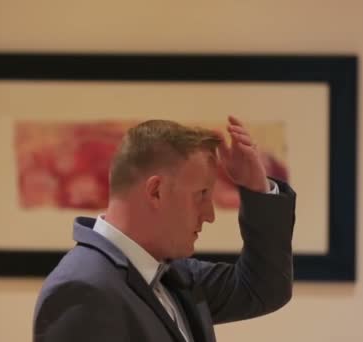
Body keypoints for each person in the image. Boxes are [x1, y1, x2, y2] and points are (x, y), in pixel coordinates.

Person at [33, 115, 296, 342]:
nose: (209, 215)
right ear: (156, 191)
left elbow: (263, 288)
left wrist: (257, 189)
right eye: (201, 195)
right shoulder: (83, 289)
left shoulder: (171, 274)